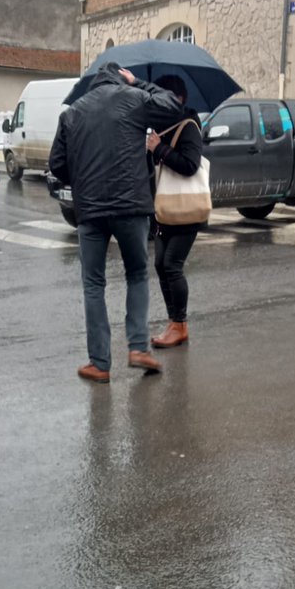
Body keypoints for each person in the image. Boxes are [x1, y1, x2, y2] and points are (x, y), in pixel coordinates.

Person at [49, 63, 183, 383]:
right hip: (131, 207)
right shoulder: (134, 98)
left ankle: (99, 363)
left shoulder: (72, 113)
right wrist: (137, 81)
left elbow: (56, 164)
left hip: (91, 212)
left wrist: (81, 180)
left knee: (94, 284)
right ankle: (138, 348)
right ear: (120, 78)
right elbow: (171, 105)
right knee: (137, 274)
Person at [146, 75, 204, 349]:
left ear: (179, 99)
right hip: (165, 208)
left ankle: (180, 325)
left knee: (172, 265)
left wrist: (160, 149)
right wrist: (153, 148)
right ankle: (174, 322)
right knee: (160, 264)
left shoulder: (189, 126)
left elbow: (190, 165)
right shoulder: (162, 127)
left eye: (165, 97)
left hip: (186, 209)